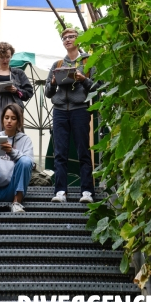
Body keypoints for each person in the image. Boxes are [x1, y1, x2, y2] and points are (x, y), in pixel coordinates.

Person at [45, 28, 98, 204]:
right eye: (65, 38)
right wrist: (53, 82)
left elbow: (97, 88)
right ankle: (60, 191)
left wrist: (83, 79)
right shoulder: (58, 65)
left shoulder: (88, 62)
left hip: (80, 109)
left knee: (83, 150)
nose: (67, 40)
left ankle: (87, 192)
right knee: (60, 152)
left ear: (78, 39)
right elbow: (47, 92)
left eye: (71, 37)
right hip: (60, 110)